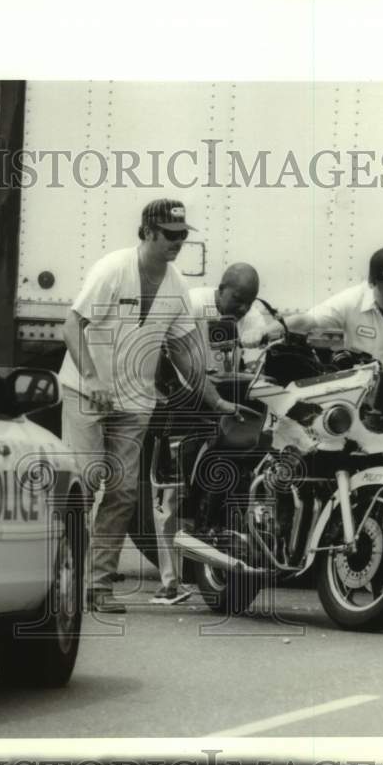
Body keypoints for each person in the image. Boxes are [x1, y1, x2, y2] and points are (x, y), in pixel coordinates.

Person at [59, 199, 239, 614]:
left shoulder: (176, 286)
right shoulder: (113, 270)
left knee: (122, 492)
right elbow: (73, 325)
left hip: (134, 400)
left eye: (183, 235)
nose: (178, 243)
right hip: (86, 394)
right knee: (83, 485)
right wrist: (92, 378)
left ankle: (98, 585)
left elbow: (184, 351)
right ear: (148, 233)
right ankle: (61, 574)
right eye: (171, 235)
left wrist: (215, 400)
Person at [266, 246, 383, 626]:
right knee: (367, 496)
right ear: (371, 282)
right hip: (368, 415)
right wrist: (282, 327)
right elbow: (313, 318)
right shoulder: (353, 301)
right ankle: (373, 589)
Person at [149, 263, 264, 604]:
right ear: (221, 287)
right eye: (238, 299)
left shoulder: (251, 318)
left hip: (225, 405)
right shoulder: (194, 304)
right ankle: (169, 582)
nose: (242, 308)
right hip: (183, 401)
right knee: (171, 492)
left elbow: (255, 366)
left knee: (221, 479)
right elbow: (160, 348)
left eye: (249, 301)